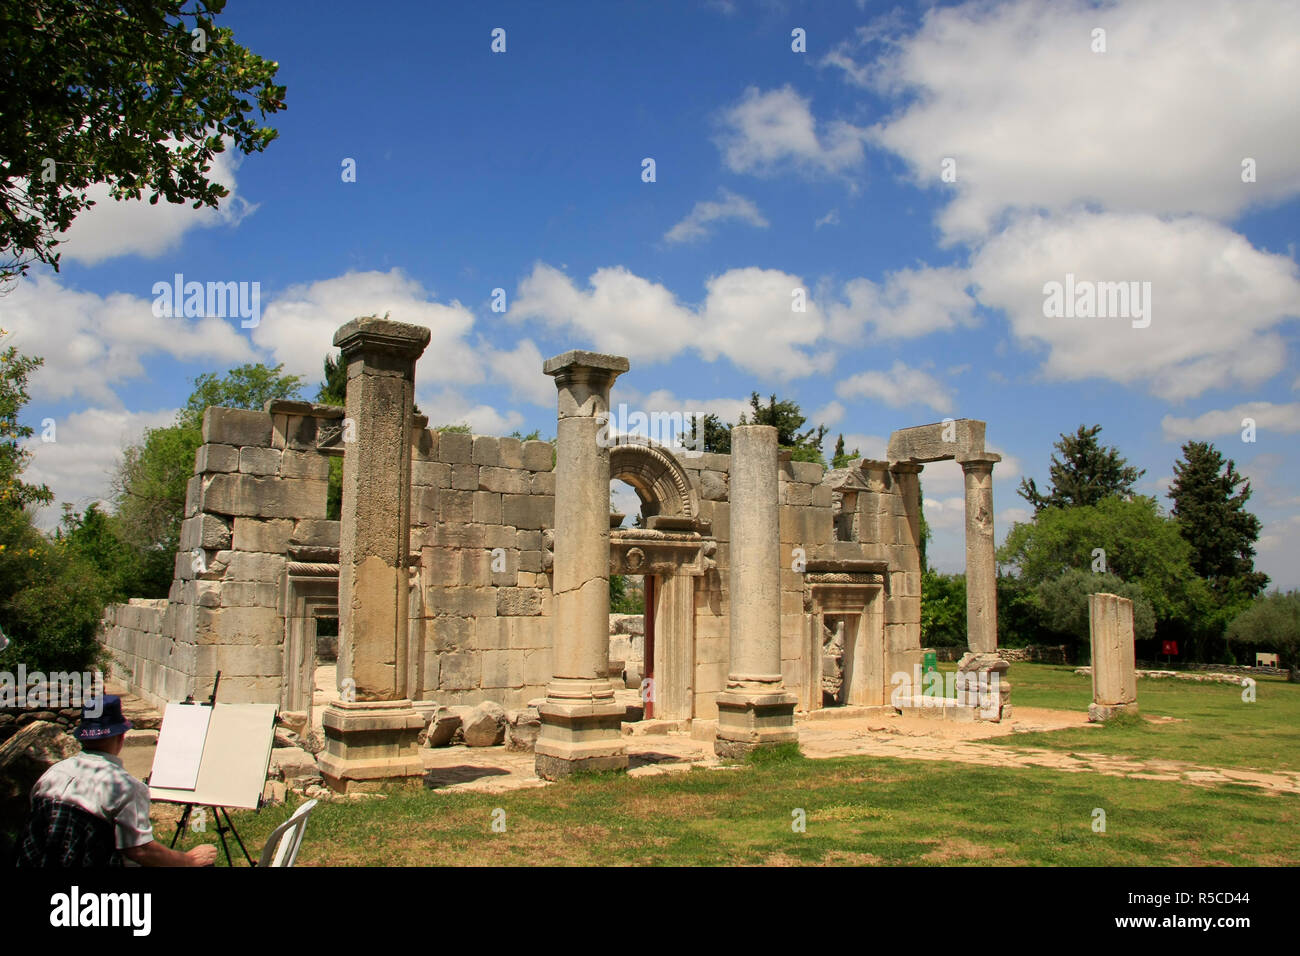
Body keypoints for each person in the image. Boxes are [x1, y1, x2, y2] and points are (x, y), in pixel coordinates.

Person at [16, 694, 217, 867]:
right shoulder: (126, 787)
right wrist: (189, 860)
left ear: (82, 737)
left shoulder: (52, 774)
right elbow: (140, 851)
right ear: (121, 737)